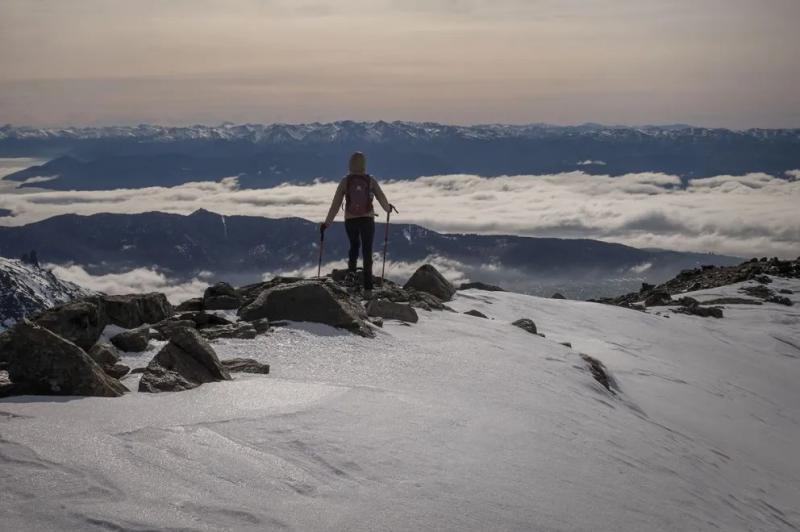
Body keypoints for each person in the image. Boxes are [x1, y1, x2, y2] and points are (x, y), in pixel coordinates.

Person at [321, 152, 394, 294]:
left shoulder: (346, 181)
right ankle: (368, 287)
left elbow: (335, 204)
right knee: (367, 250)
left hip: (350, 219)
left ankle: (352, 276)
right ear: (364, 164)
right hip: (367, 219)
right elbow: (381, 197)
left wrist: (327, 223)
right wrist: (388, 208)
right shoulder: (370, 180)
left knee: (354, 246)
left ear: (350, 164)